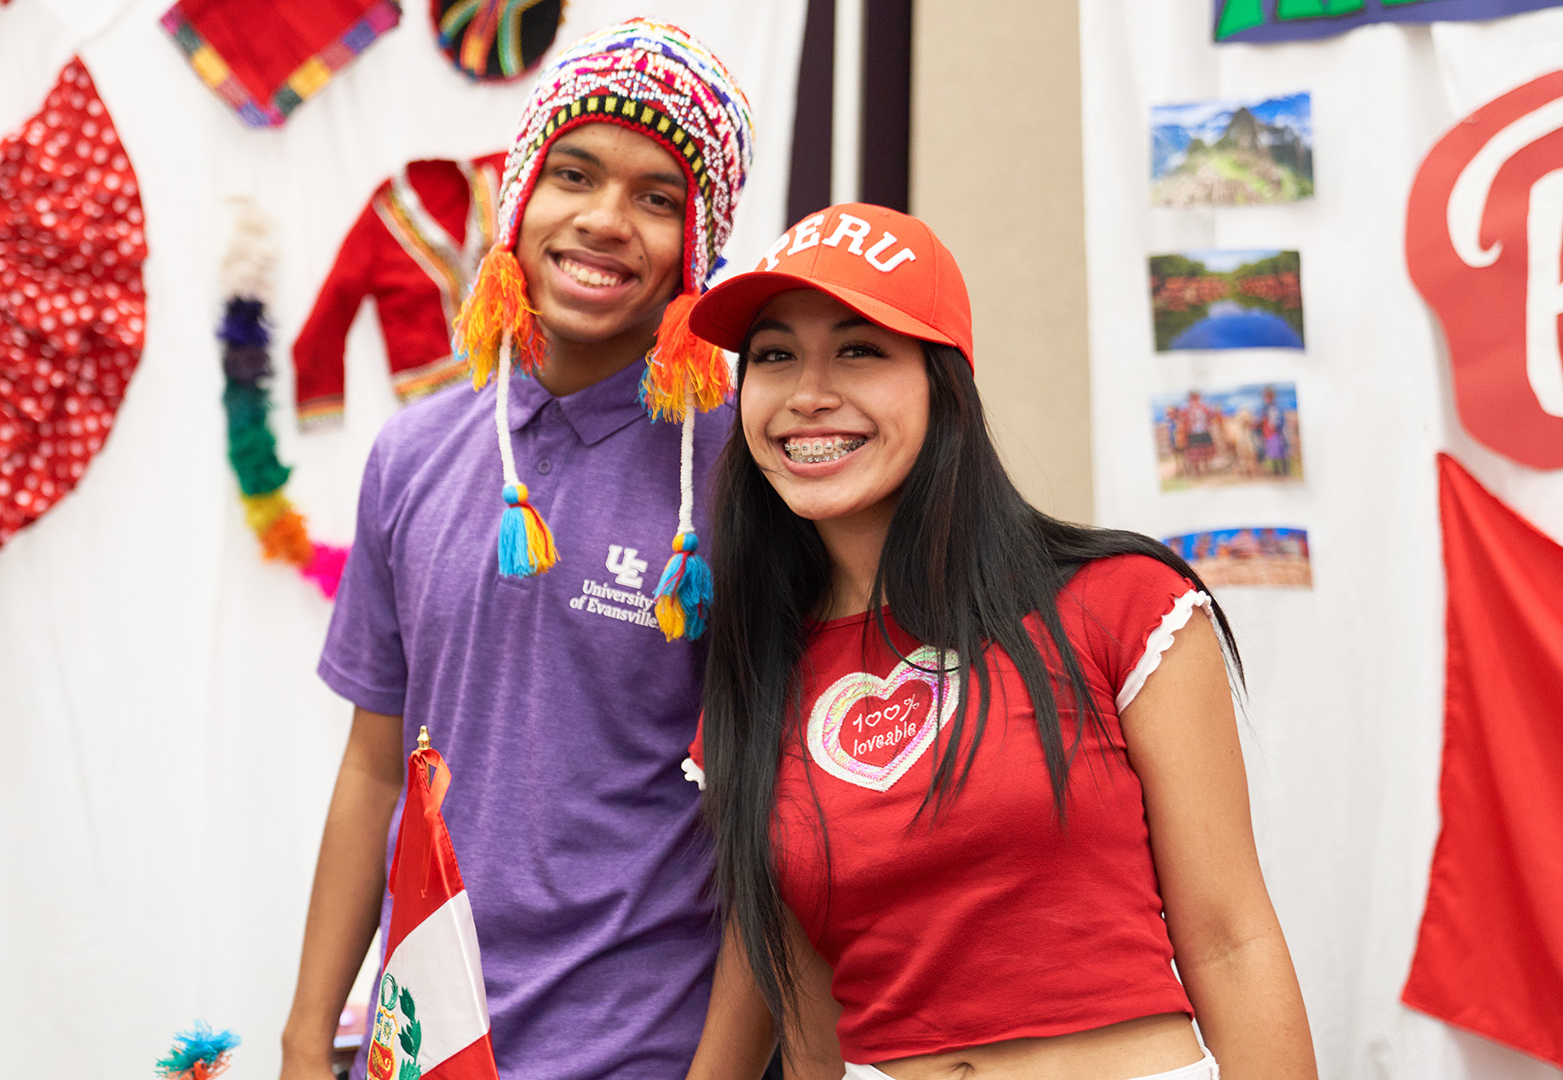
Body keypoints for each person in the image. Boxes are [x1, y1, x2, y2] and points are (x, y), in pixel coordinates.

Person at [680, 204, 1316, 1080]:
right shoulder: (758, 680)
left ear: (944, 383)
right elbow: (806, 1002)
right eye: (774, 355)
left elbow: (1231, 942)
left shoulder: (1120, 604)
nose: (807, 394)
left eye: (860, 349)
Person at [278, 20, 756, 1080]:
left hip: (640, 1052)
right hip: (419, 1048)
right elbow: (372, 769)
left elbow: (773, 827)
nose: (602, 221)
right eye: (572, 174)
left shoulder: (742, 472)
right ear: (519, 194)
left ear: (701, 242)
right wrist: (309, 1040)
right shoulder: (414, 453)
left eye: (658, 197)